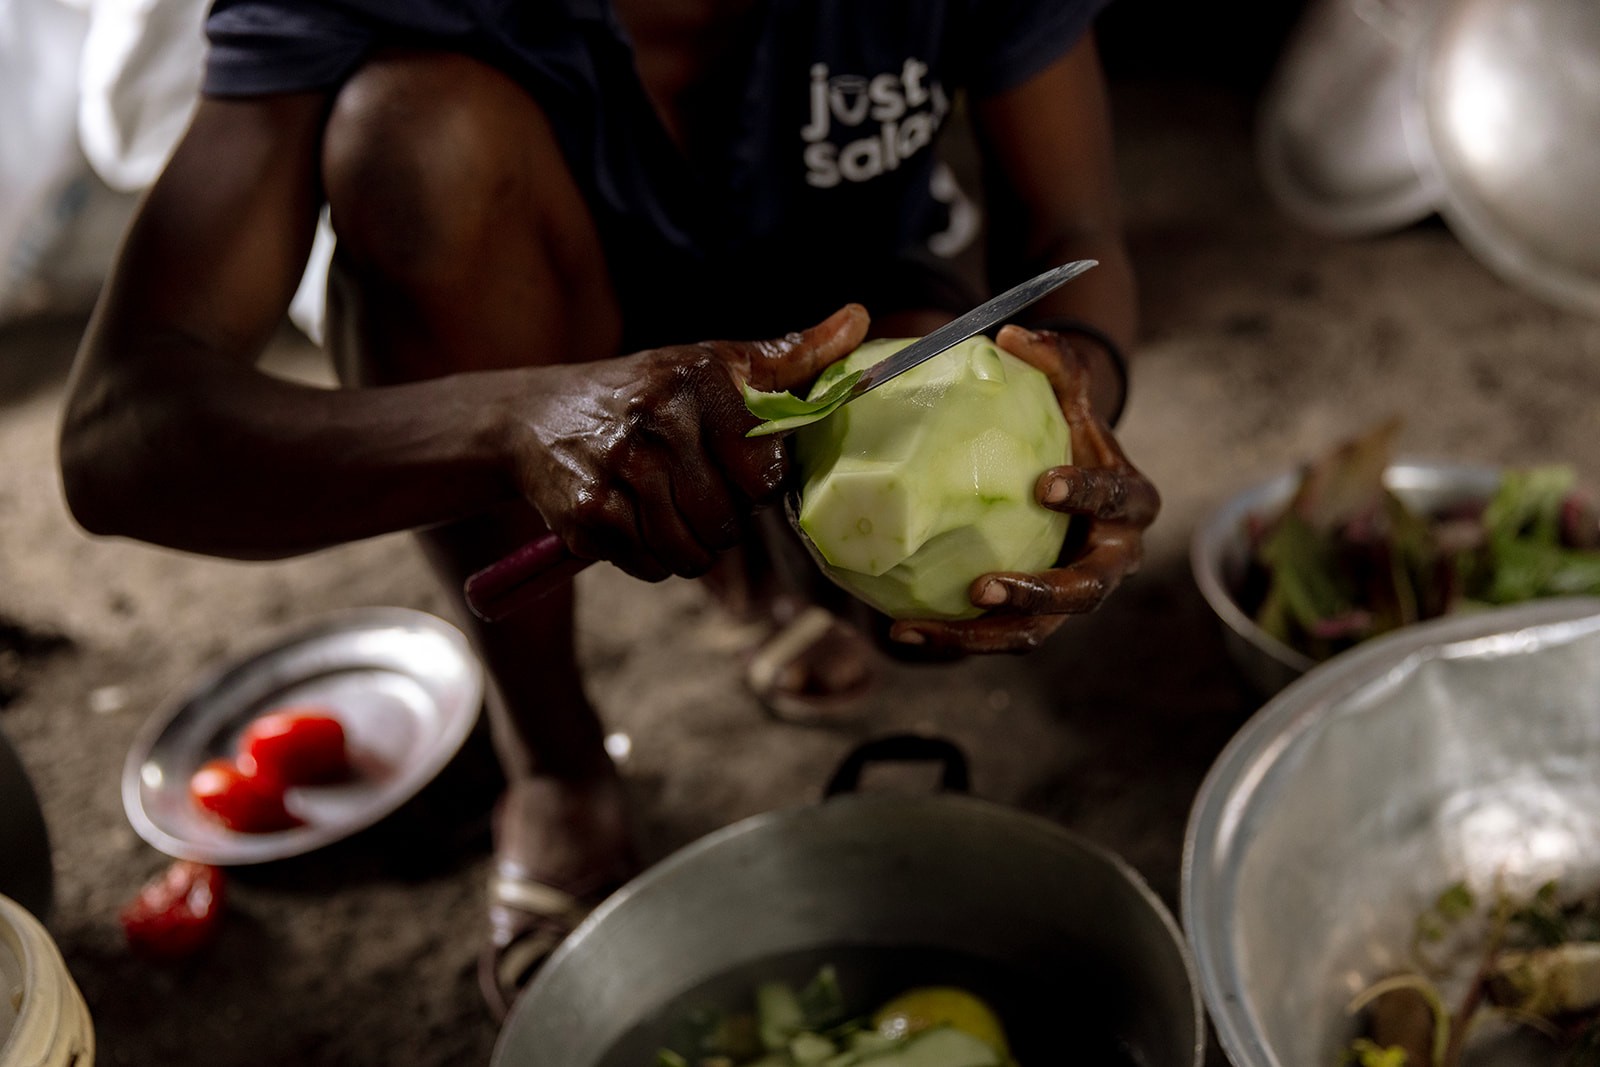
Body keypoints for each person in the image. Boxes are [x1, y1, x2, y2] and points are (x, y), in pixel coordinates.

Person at [57, 0, 1161, 1019]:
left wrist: (1072, 413)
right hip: (520, 307)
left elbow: (1071, 214)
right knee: (415, 137)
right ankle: (553, 753)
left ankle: (763, 551)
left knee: (931, 620)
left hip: (850, 313)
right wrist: (508, 420)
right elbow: (118, 437)